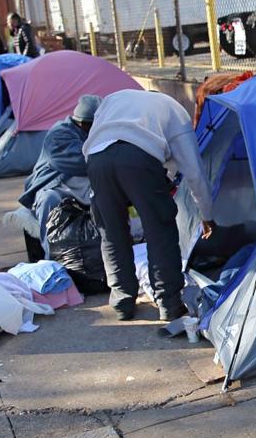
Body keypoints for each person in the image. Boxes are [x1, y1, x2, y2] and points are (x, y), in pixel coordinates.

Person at [82, 89, 215, 322]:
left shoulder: (114, 98)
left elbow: (95, 140)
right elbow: (194, 172)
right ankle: (170, 303)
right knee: (159, 230)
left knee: (111, 232)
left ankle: (122, 300)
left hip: (97, 160)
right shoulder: (174, 110)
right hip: (139, 159)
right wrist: (206, 214)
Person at [19, 94, 100, 254]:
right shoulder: (59, 134)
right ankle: (52, 256)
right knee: (49, 199)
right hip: (56, 186)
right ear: (84, 124)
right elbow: (81, 162)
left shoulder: (98, 132)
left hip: (84, 187)